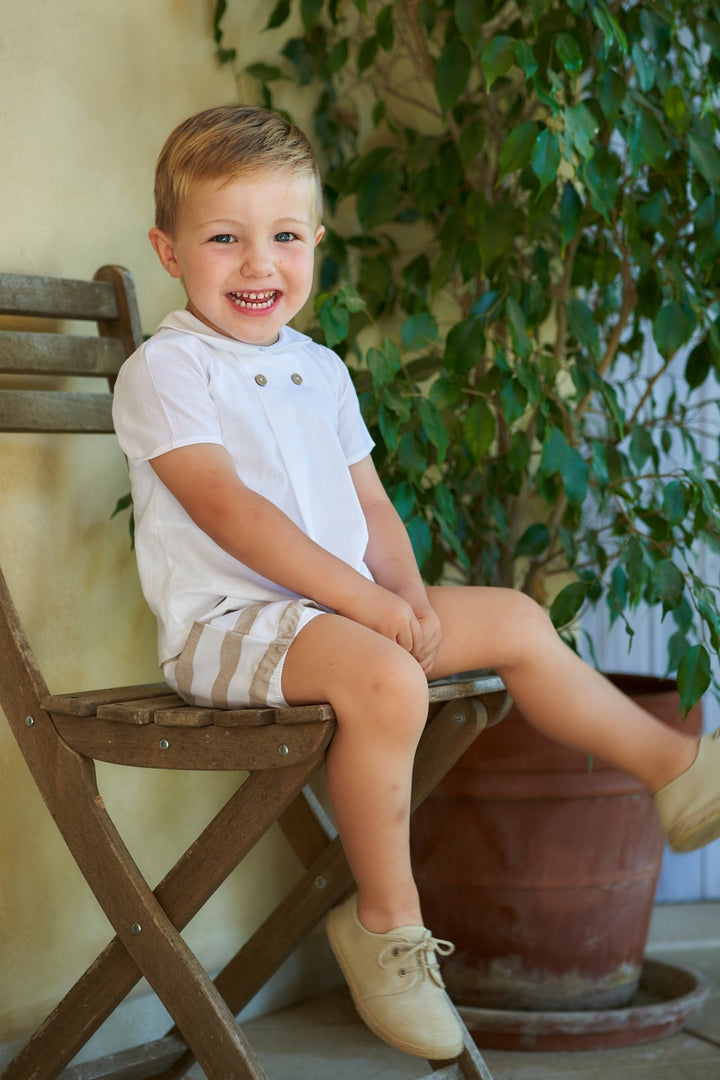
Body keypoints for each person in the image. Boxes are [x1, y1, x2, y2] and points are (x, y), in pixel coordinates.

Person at [112, 104, 720, 1062]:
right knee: (389, 679)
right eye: (224, 239)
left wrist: (415, 602)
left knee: (516, 618)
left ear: (316, 242)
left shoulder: (319, 369)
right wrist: (370, 609)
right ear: (170, 251)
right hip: (228, 628)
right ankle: (387, 927)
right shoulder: (167, 369)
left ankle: (675, 770)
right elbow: (233, 516)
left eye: (282, 237)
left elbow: (374, 511)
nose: (258, 263)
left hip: (335, 619)